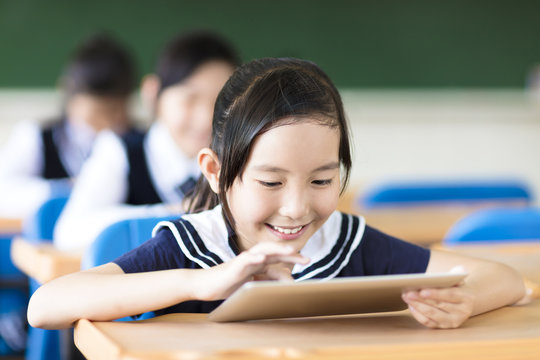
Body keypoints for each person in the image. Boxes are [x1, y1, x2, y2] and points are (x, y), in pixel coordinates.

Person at [28, 58, 526, 330]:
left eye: (322, 180)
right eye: (270, 181)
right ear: (216, 172)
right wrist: (201, 284)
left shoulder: (343, 240)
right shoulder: (192, 246)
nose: (297, 207)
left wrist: (466, 302)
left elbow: (500, 278)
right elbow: (47, 305)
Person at [53, 31, 240, 252]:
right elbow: (70, 232)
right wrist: (173, 212)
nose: (206, 119)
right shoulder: (120, 150)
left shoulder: (239, 159)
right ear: (153, 94)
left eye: (222, 103)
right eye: (190, 99)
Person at [0, 33, 136, 219]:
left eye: (117, 109)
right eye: (99, 110)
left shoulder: (137, 143)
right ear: (69, 94)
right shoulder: (36, 137)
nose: (110, 120)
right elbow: (4, 194)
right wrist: (67, 188)